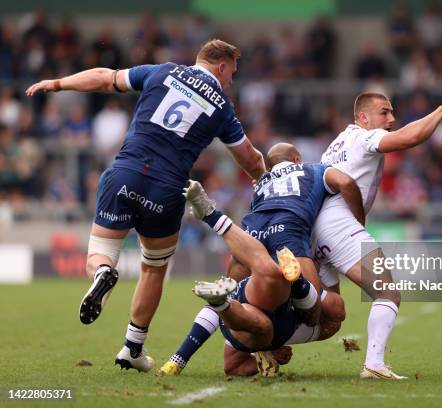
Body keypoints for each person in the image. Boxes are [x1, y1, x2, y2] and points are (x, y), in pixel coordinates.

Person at [25, 39, 267, 372]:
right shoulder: (222, 107)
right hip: (167, 189)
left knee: (100, 254)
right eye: (232, 73)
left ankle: (103, 273)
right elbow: (250, 158)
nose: (232, 81)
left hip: (125, 172)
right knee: (153, 267)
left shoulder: (161, 71)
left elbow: (103, 77)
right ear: (221, 67)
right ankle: (132, 348)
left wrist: (57, 83)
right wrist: (266, 181)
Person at [312, 93, 442, 379]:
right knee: (387, 292)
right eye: (384, 113)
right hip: (339, 224)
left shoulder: (338, 143)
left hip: (318, 228)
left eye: (392, 113)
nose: (391, 119)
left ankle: (271, 343)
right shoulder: (364, 138)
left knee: (328, 318)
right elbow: (409, 139)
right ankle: (374, 365)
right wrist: (441, 110)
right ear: (363, 118)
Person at [159, 143, 361, 376]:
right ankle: (295, 285)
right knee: (318, 311)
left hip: (251, 232)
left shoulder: (263, 182)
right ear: (297, 158)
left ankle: (179, 358)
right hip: (288, 229)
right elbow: (346, 183)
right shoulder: (313, 169)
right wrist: (357, 224)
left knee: (229, 297)